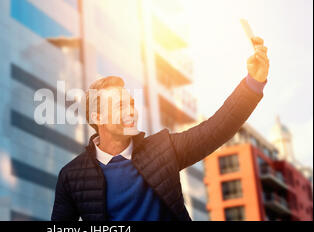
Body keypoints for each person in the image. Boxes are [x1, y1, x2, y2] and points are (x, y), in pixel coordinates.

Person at [51, 37, 269, 221]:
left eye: (132, 104)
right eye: (120, 106)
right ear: (98, 117)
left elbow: (217, 128)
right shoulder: (71, 176)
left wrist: (253, 83)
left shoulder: (164, 148)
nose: (131, 111)